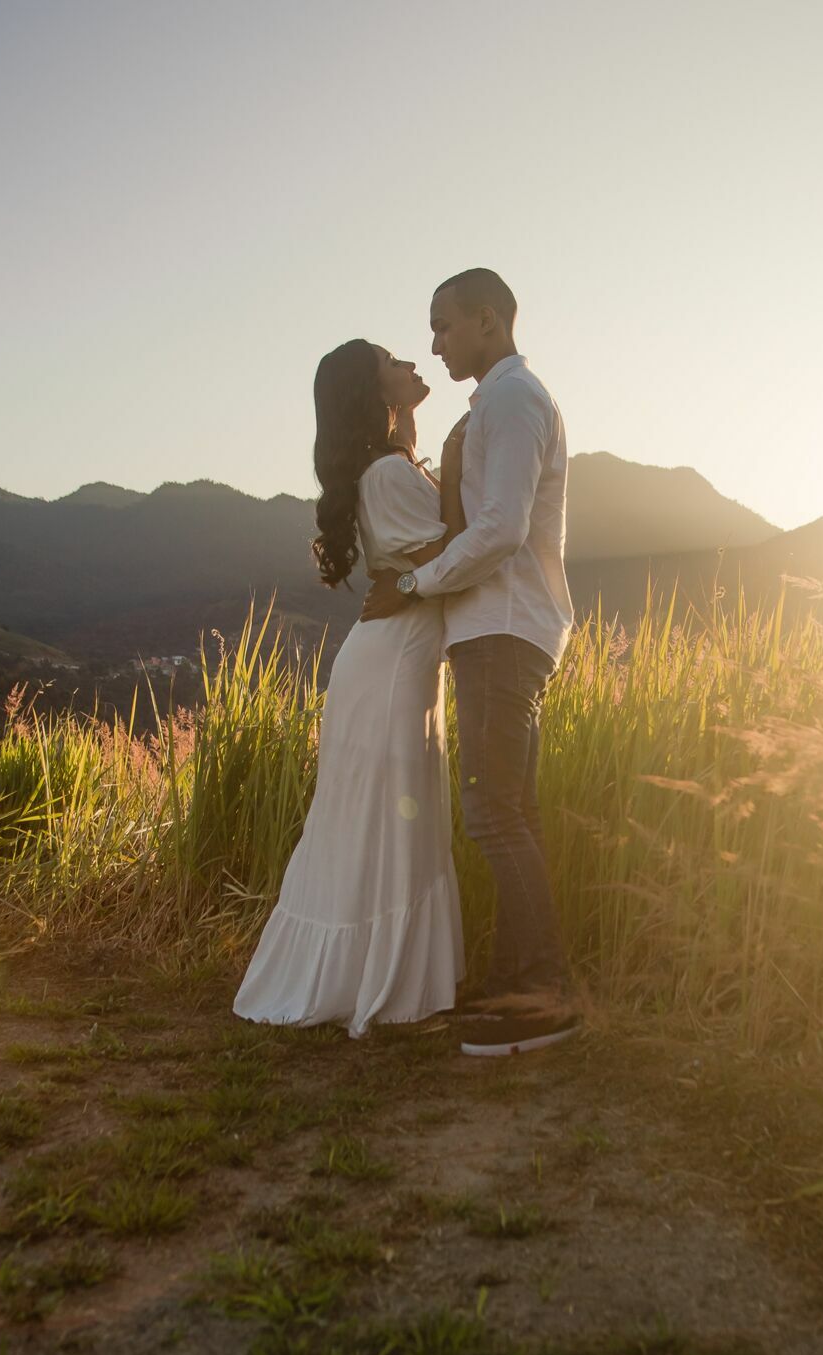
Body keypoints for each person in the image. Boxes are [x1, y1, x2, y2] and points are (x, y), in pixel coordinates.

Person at [361, 268, 579, 1057]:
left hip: (502, 626)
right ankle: (518, 982)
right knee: (509, 810)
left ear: (488, 320)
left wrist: (414, 585)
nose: (434, 344)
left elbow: (500, 528)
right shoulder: (497, 401)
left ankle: (544, 993)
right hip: (500, 626)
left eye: (443, 325)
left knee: (491, 814)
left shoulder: (514, 398)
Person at [233, 338, 467, 1037]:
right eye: (393, 362)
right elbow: (459, 552)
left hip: (395, 660)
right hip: (391, 666)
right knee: (390, 821)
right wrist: (447, 467)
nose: (412, 364)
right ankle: (390, 990)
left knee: (381, 818)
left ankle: (387, 979)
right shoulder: (389, 474)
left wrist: (414, 440)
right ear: (375, 392)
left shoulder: (391, 466)